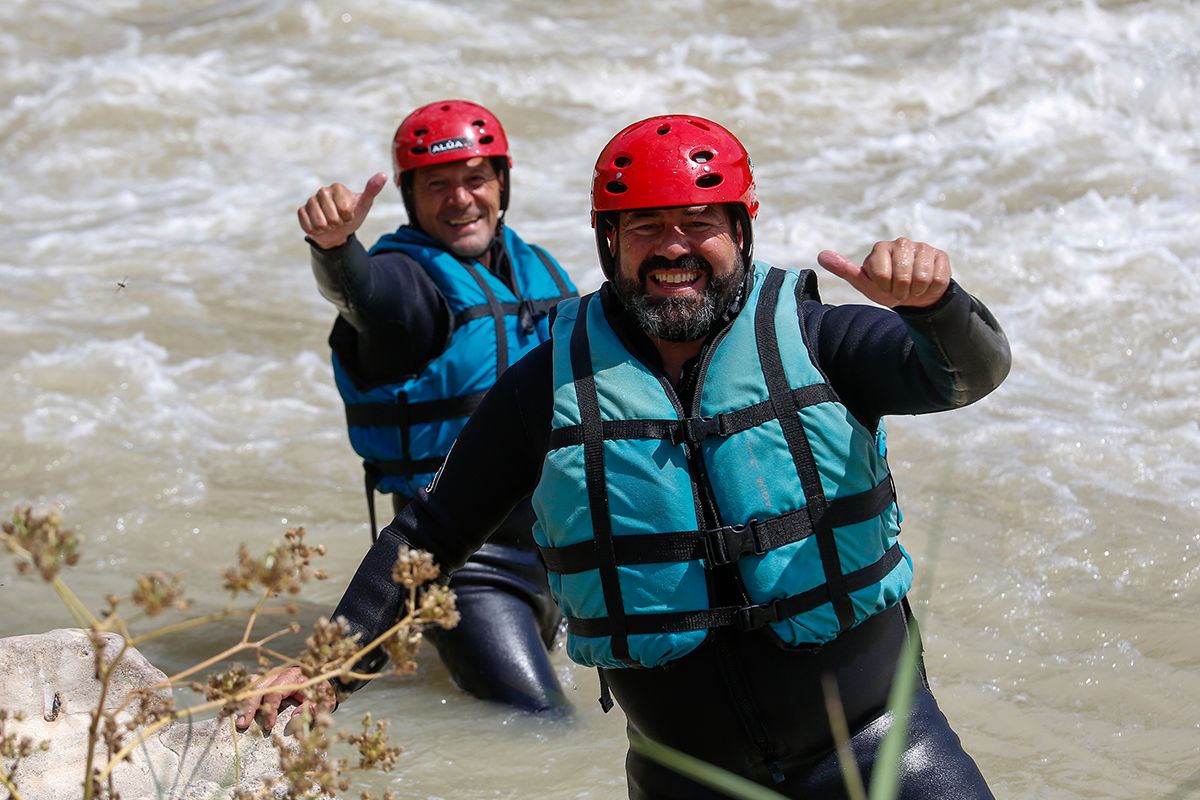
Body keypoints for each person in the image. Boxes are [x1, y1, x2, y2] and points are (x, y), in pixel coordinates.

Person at [246, 114, 1009, 798]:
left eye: (698, 222)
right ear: (607, 239)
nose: (673, 248)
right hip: (686, 778)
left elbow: (969, 374)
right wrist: (327, 669)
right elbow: (427, 536)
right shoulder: (547, 385)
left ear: (741, 230)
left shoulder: (821, 341)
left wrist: (934, 307)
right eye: (644, 227)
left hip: (886, 753)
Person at [295, 99, 577, 713]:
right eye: (437, 184)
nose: (460, 199)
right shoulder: (410, 286)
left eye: (475, 178)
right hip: (469, 572)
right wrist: (336, 252)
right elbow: (368, 297)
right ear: (410, 196)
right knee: (541, 725)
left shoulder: (537, 268)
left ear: (502, 183)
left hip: (565, 552)